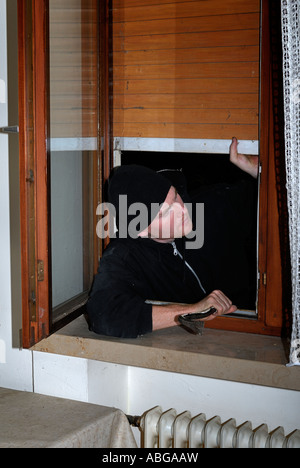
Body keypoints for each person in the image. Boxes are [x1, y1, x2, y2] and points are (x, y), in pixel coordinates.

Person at [86, 138, 258, 338]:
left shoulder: (209, 207)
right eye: (165, 212)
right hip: (197, 346)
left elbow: (270, 200)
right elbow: (104, 315)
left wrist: (257, 171)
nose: (182, 208)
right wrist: (191, 312)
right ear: (140, 230)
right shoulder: (126, 255)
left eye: (175, 195)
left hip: (254, 330)